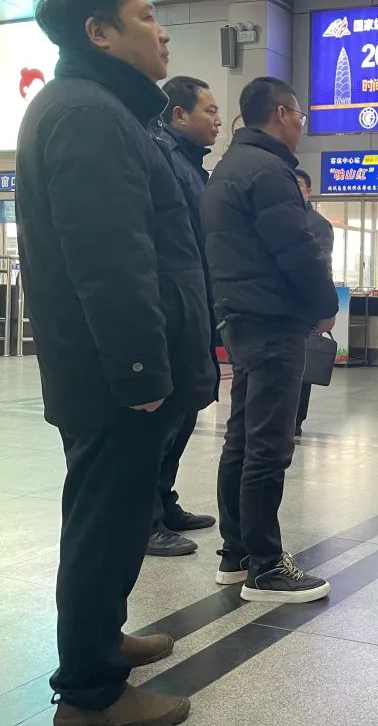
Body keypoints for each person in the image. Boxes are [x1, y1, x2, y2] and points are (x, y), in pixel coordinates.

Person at [16, 0, 216, 725]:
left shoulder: (105, 110)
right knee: (103, 528)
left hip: (113, 372)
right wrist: (140, 371)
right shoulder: (88, 114)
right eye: (144, 17)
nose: (162, 32)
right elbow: (110, 259)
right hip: (113, 378)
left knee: (118, 517)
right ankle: (91, 694)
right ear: (97, 33)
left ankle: (103, 639)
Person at [201, 77, 338, 603]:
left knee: (241, 436)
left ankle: (236, 553)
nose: (302, 124)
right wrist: (323, 304)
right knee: (268, 445)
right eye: (299, 115)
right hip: (273, 319)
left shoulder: (228, 167)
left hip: (240, 316)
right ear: (281, 113)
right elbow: (297, 249)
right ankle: (266, 566)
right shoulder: (268, 170)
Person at [145, 75, 223, 558]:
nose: (218, 120)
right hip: (173, 306)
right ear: (179, 115)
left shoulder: (193, 165)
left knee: (187, 408)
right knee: (166, 418)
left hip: (197, 302)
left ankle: (163, 499)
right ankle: (146, 519)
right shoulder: (166, 161)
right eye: (209, 111)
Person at [293, 168, 334, 439]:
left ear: (309, 191)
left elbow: (321, 267)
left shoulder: (318, 224)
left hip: (304, 309)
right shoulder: (279, 218)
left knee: (301, 367)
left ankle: (296, 419)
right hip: (276, 308)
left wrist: (324, 308)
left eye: (299, 185)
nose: (294, 190)